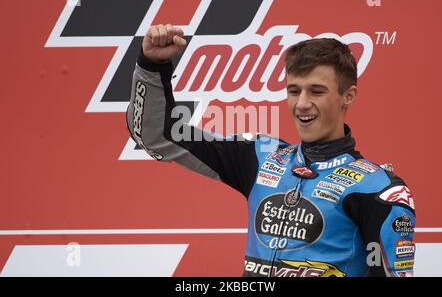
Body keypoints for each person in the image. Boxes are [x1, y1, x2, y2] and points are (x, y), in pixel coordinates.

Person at [126, 24, 416, 277]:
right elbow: (157, 136)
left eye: (316, 91)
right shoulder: (261, 156)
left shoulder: (377, 188)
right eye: (293, 90)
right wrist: (152, 66)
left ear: (347, 96)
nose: (302, 103)